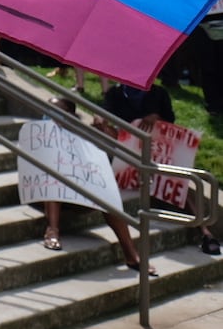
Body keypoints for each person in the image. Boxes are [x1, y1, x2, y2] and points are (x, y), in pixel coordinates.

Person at [98, 79, 221, 256]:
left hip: (157, 152)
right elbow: (109, 124)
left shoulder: (159, 93)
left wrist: (157, 118)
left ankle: (205, 233)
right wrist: (102, 125)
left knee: (179, 183)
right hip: (126, 153)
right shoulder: (114, 94)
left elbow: (171, 126)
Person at [34, 96, 154, 274]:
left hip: (78, 194)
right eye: (48, 111)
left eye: (56, 111)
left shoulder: (83, 136)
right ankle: (52, 230)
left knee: (107, 194)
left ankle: (131, 253)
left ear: (71, 115)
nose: (50, 116)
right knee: (54, 174)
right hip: (46, 192)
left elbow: (100, 164)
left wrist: (101, 132)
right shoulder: (35, 134)